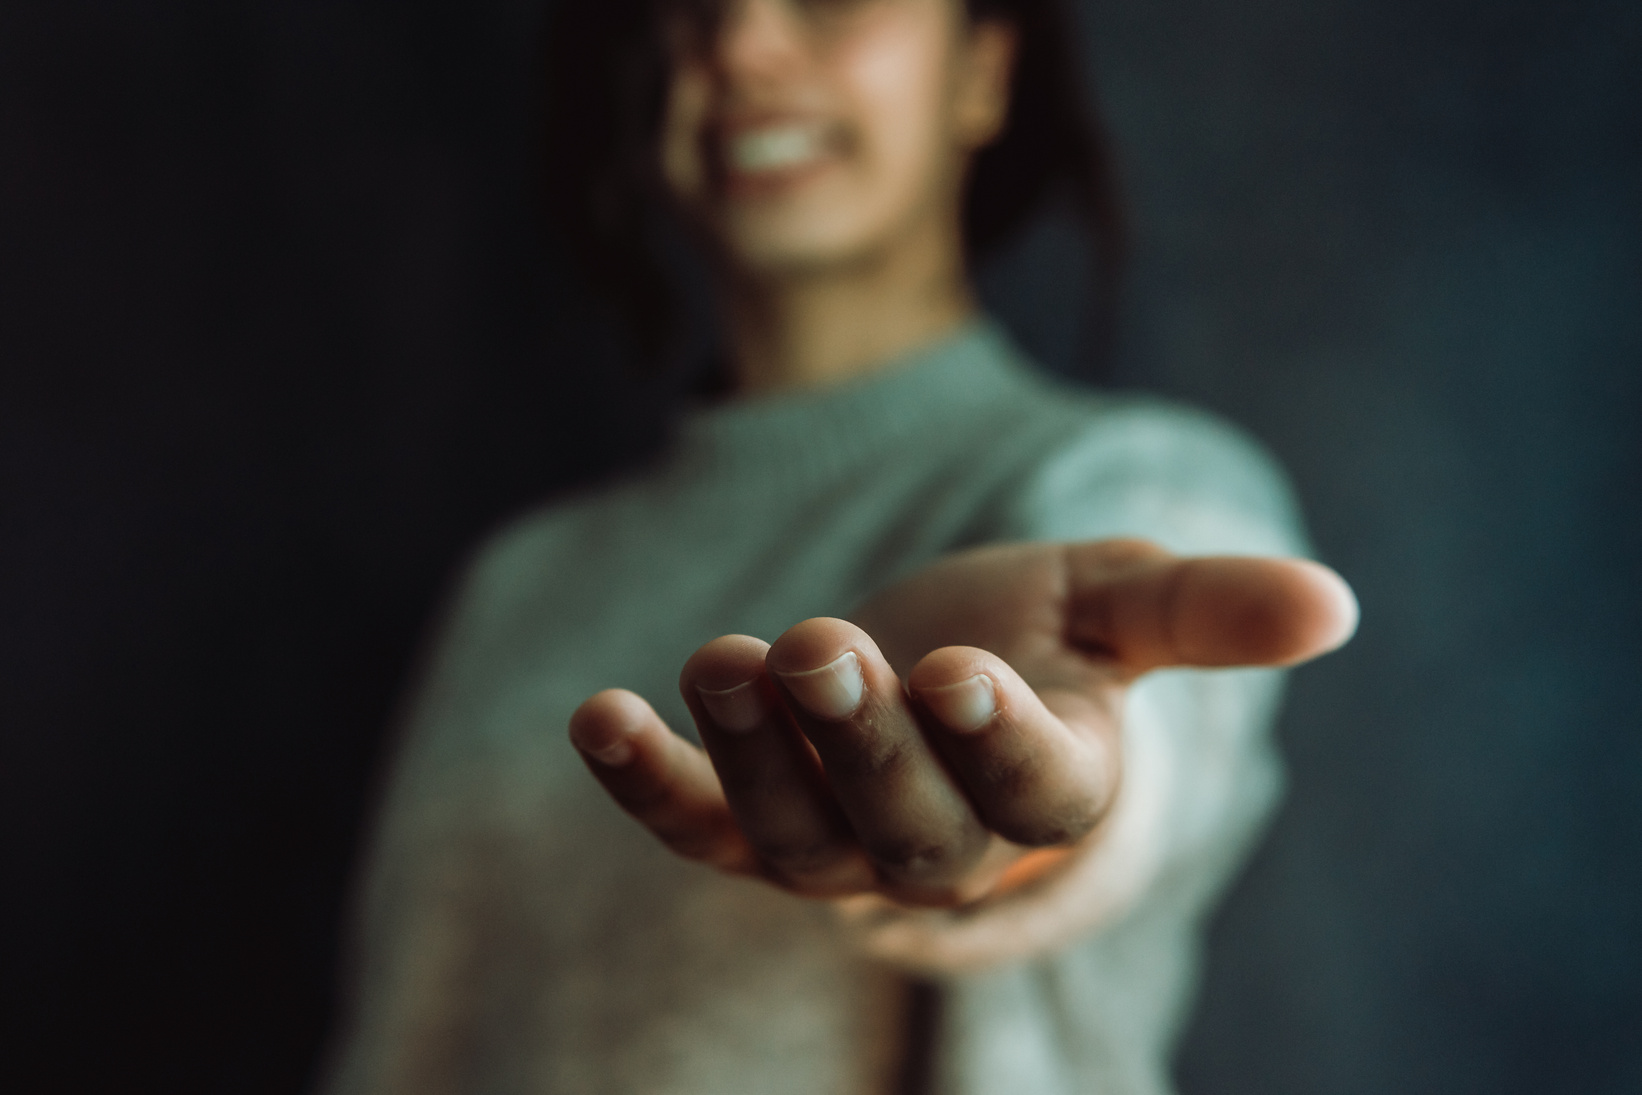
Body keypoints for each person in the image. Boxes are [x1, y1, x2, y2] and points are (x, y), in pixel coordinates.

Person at [320, 0, 1358, 1091]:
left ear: (983, 70)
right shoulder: (519, 583)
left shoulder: (1125, 481)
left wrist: (1035, 796)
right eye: (689, 11)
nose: (739, 46)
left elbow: (1144, 745)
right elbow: (399, 1046)